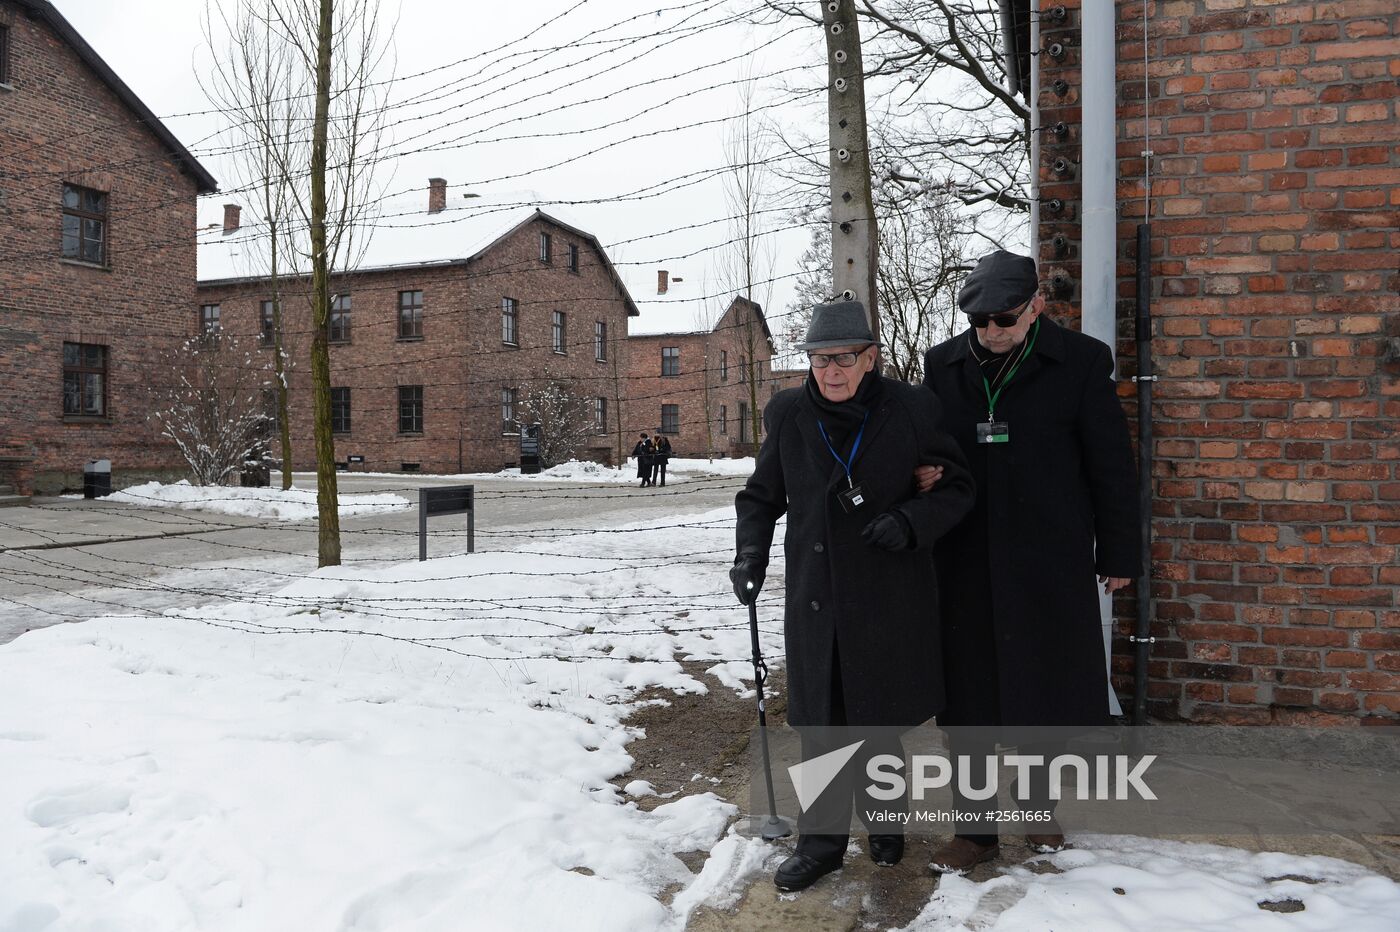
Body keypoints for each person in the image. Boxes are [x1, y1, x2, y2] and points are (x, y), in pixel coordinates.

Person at [732, 299, 975, 892]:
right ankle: (820, 845)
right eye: (817, 360)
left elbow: (958, 486)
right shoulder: (788, 414)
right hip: (818, 598)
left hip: (888, 592)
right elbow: (762, 497)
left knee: (879, 717)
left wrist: (912, 521)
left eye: (841, 359)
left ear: (870, 358)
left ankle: (887, 824)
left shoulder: (911, 409)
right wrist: (750, 555)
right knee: (822, 723)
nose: (829, 372)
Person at [918, 250, 1140, 873]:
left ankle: (1038, 808)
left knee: (1043, 687)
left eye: (1004, 320)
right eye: (979, 321)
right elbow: (926, 444)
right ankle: (975, 828)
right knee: (969, 696)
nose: (990, 333)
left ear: (1036, 305)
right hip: (964, 557)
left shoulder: (1080, 362)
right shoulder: (944, 366)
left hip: (1049, 554)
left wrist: (1118, 551)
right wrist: (923, 474)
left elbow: (1111, 466)